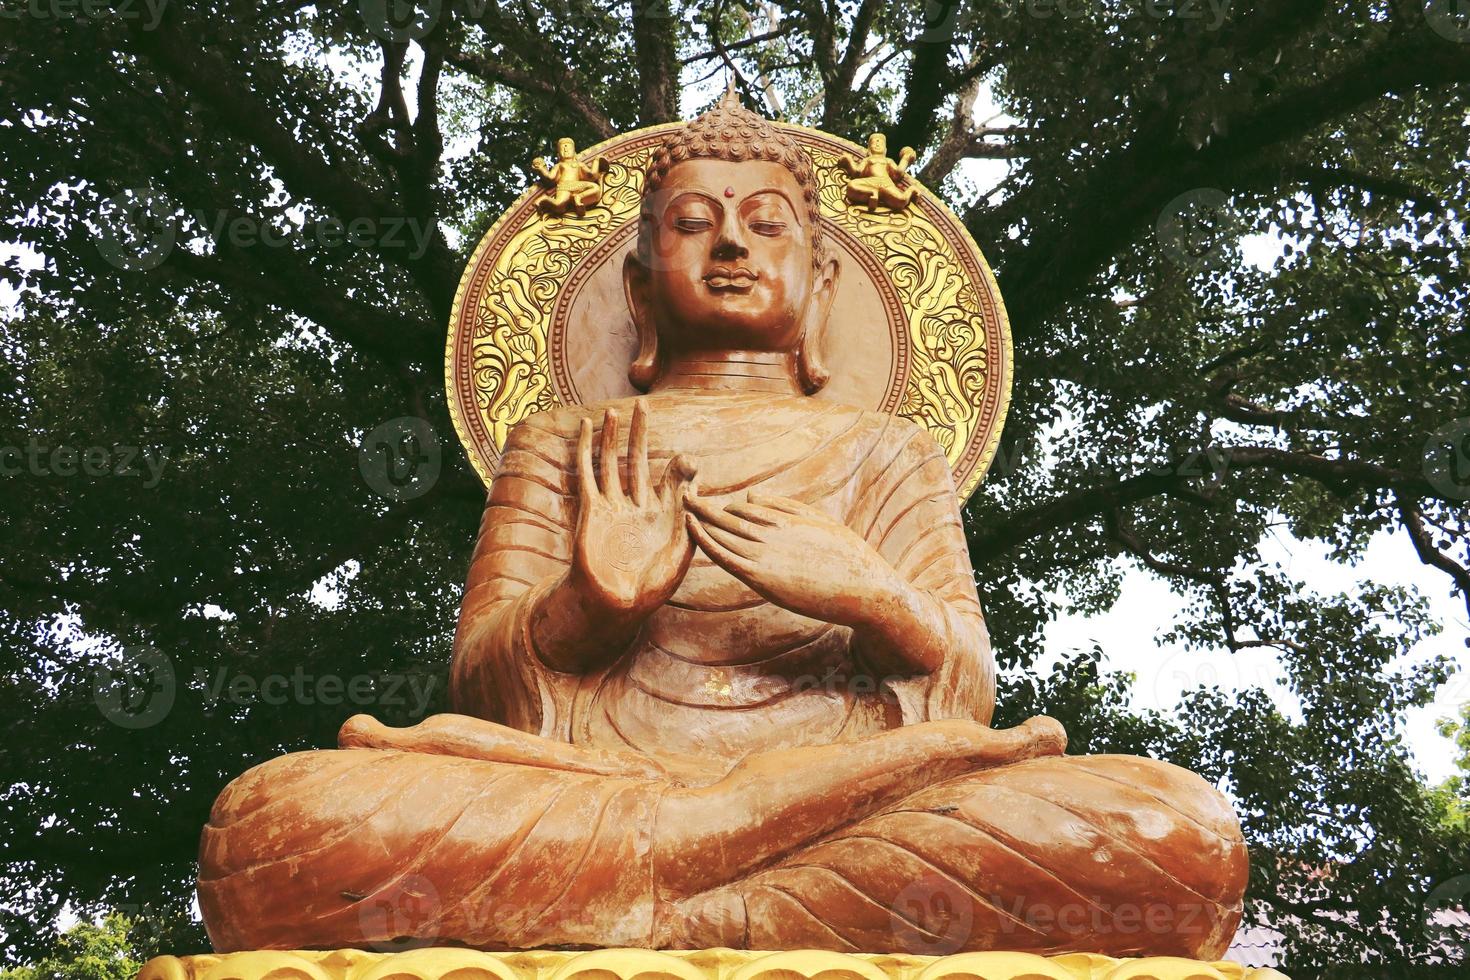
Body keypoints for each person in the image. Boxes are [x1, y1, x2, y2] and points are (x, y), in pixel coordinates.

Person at [198, 92, 1247, 960]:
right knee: (274, 824)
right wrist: (587, 603)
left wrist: (866, 591)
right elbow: (484, 682)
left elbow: (961, 695)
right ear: (640, 280)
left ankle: (647, 914)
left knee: (1173, 830)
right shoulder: (559, 440)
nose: (733, 240)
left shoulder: (889, 450)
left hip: (853, 802)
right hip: (595, 796)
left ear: (821, 277)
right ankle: (738, 903)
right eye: (694, 222)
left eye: (768, 222)